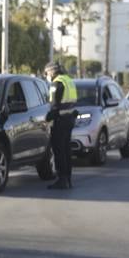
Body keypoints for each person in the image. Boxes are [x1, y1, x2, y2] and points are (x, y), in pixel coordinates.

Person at [43, 61, 78, 190]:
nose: (47, 75)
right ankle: (68, 178)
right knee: (66, 150)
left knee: (59, 151)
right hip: (70, 120)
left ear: (52, 71)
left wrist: (47, 118)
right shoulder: (69, 81)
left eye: (47, 73)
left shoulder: (56, 83)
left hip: (60, 121)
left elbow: (54, 106)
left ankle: (61, 180)